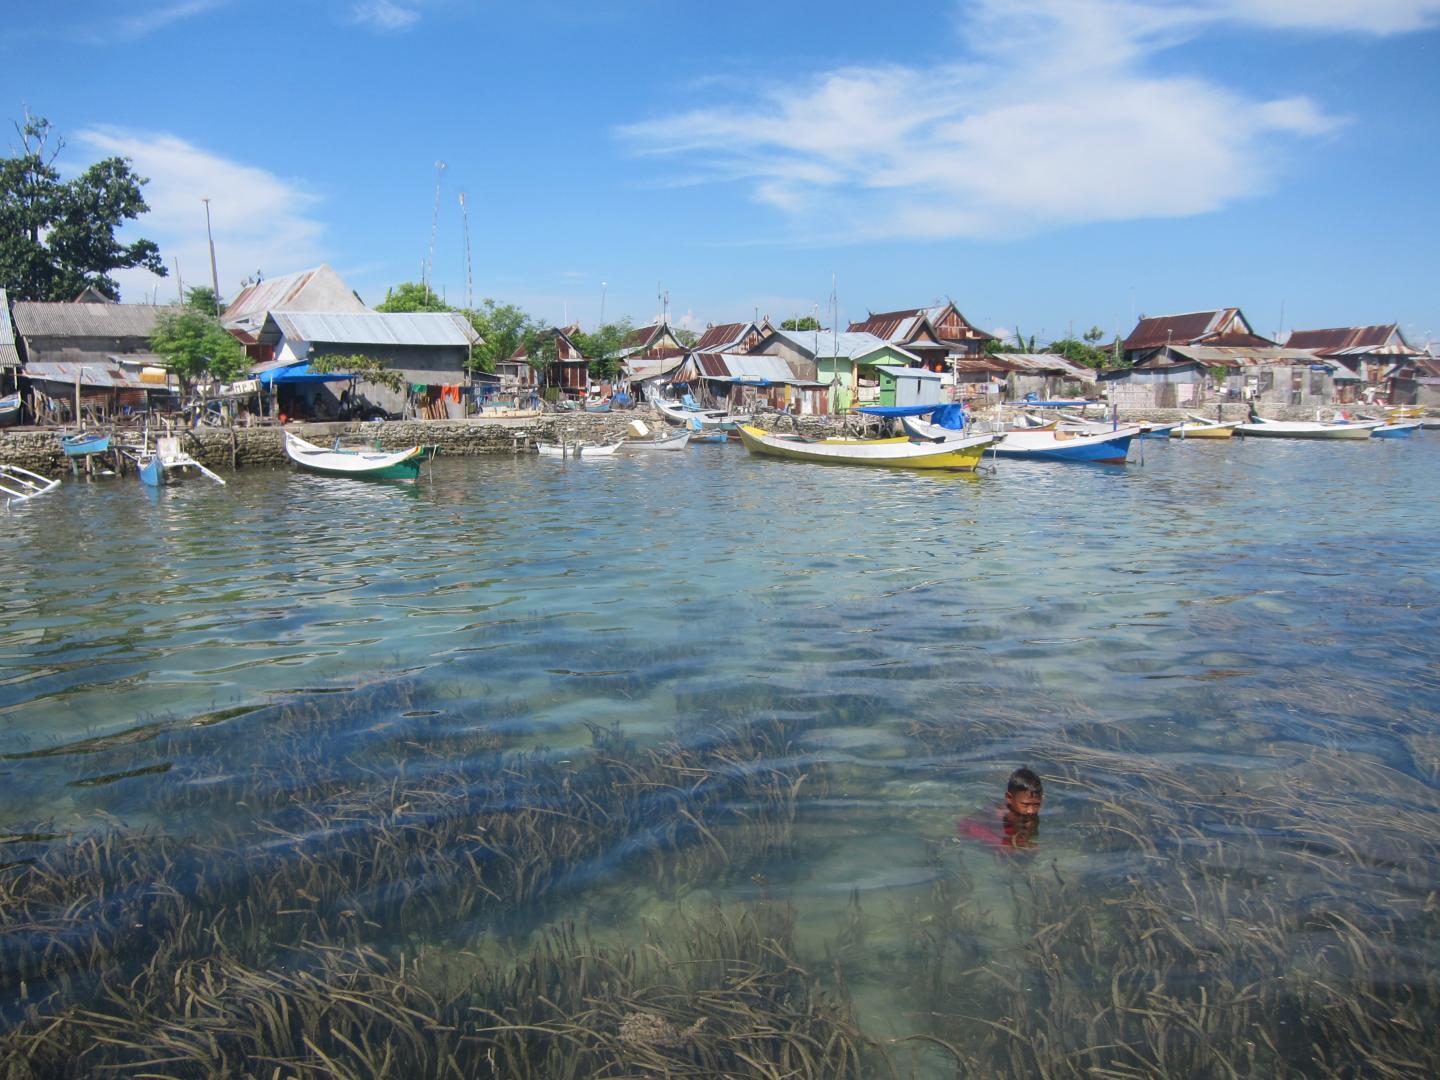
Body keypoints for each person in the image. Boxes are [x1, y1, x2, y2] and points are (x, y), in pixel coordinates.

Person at [956, 767, 1044, 853]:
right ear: (1009, 798)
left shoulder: (1028, 813)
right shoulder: (999, 813)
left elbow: (1029, 832)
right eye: (1026, 804)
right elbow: (965, 825)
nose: (1031, 810)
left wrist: (1027, 842)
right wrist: (1003, 844)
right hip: (973, 828)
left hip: (1007, 831)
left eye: (1036, 804)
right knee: (1005, 848)